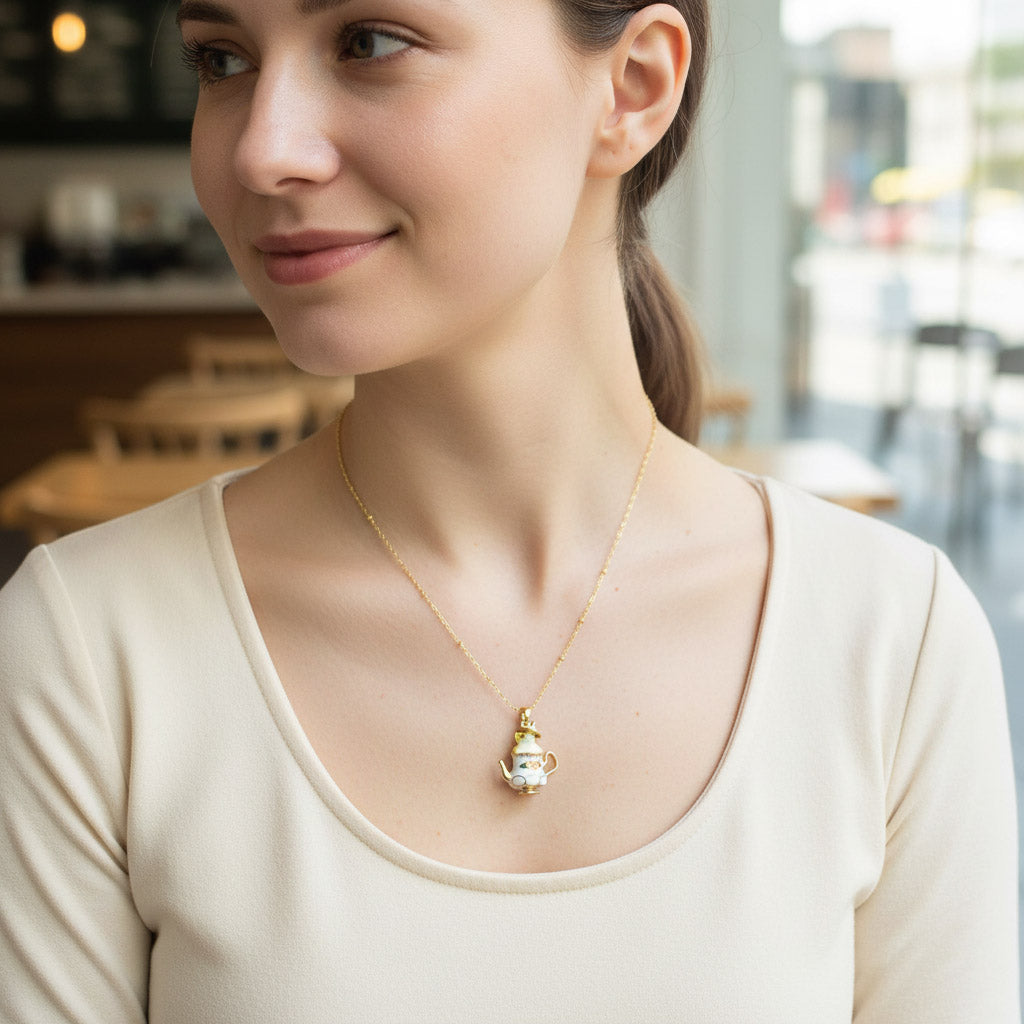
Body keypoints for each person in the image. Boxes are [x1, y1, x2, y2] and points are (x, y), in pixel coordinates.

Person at [0, 0, 1018, 1019]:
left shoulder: (893, 642)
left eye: (370, 42)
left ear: (633, 88)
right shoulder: (87, 653)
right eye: (220, 59)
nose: (263, 150)